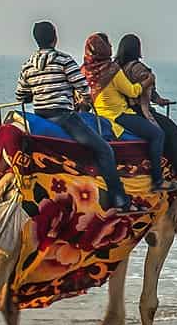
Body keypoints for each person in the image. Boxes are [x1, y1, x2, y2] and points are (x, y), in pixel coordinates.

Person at [15, 21, 144, 214]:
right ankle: (120, 200)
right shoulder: (63, 60)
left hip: (41, 115)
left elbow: (21, 95)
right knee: (105, 149)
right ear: (55, 38)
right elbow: (83, 88)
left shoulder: (27, 66)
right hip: (63, 117)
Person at [81, 33, 177, 193]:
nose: (111, 47)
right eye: (108, 45)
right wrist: (149, 81)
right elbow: (133, 91)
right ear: (103, 48)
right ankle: (158, 180)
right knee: (157, 134)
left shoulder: (85, 71)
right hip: (119, 115)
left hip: (100, 117)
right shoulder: (112, 69)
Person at [115, 34, 177, 183]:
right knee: (173, 131)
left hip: (122, 110)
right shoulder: (137, 68)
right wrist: (157, 99)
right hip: (140, 110)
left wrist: (157, 99)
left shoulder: (115, 67)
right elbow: (145, 88)